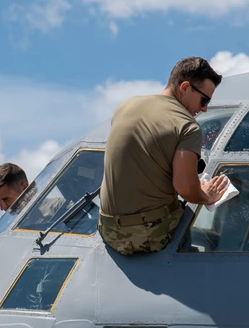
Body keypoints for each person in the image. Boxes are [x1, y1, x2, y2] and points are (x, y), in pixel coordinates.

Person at [98, 57, 230, 255]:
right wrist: (206, 194)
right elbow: (186, 189)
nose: (204, 109)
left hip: (107, 229)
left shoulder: (125, 106)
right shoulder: (188, 127)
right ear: (185, 87)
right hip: (146, 235)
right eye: (205, 100)